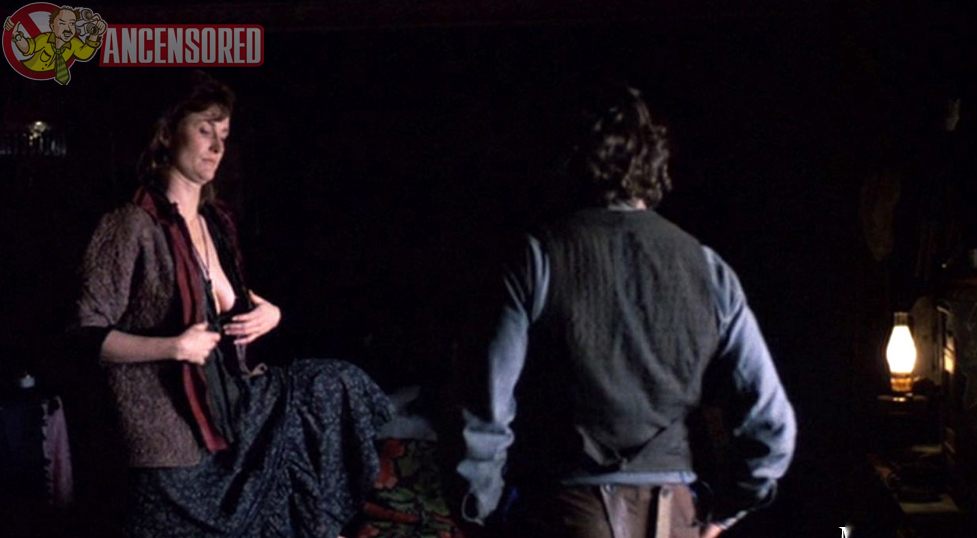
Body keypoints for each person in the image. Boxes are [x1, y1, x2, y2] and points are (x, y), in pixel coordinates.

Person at [455, 85, 796, 537]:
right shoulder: (708, 269)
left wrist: (480, 509)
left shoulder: (538, 258)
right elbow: (772, 426)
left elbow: (486, 410)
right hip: (676, 517)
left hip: (565, 513)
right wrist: (723, 513)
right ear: (654, 164)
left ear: (569, 159)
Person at [72, 71, 390, 537]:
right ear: (167, 133)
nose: (217, 146)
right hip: (168, 433)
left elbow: (233, 303)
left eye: (224, 133)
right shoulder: (131, 225)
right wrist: (173, 347)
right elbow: (82, 336)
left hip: (229, 407)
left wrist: (270, 313)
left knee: (336, 384)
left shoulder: (215, 222)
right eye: (205, 129)